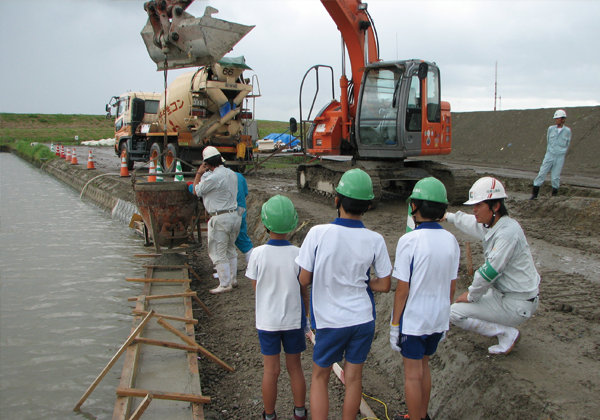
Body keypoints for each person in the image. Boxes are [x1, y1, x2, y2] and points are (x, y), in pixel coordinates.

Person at [296, 168, 392, 420]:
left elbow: (303, 279)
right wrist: (360, 282)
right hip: (362, 320)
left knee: (320, 377)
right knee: (354, 378)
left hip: (330, 322)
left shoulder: (318, 233)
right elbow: (384, 285)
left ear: (337, 200)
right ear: (368, 207)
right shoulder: (375, 239)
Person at [445, 177, 540, 355]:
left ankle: (507, 333)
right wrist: (448, 217)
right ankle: (502, 324)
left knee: (454, 314)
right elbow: (471, 223)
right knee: (468, 304)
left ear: (495, 206)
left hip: (517, 303)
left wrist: (472, 295)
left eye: (478, 205)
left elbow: (489, 272)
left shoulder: (507, 234)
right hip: (507, 294)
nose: (474, 210)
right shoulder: (496, 225)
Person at [390, 178, 459, 420]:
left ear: (415, 208)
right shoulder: (452, 241)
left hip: (415, 320)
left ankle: (414, 418)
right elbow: (451, 287)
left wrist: (395, 324)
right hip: (438, 318)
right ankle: (421, 415)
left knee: (412, 374)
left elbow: (402, 290)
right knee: (424, 366)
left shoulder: (408, 241)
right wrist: (444, 315)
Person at [245, 195, 309, 420]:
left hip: (267, 321)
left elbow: (257, 288)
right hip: (293, 320)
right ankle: (300, 412)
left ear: (265, 223)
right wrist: (307, 317)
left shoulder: (257, 254)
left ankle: (269, 415)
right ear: (293, 224)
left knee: (271, 370)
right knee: (295, 368)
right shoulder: (299, 253)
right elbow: (304, 290)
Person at [193, 146, 241, 294]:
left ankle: (225, 284)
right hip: (234, 215)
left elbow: (196, 190)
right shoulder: (231, 173)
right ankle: (232, 279)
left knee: (218, 252)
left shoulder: (214, 177)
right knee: (230, 249)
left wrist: (200, 172)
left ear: (207, 163)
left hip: (221, 217)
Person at [530, 109, 572, 198]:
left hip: (560, 157)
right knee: (541, 173)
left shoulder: (567, 131)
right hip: (549, 155)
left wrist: (562, 152)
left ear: (563, 119)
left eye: (558, 118)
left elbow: (567, 144)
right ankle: (534, 195)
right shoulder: (551, 129)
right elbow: (548, 140)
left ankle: (554, 195)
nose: (556, 120)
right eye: (555, 118)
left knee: (556, 177)